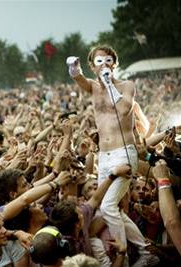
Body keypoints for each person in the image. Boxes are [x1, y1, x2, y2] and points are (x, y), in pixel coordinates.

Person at [67, 45, 159, 266]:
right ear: (92, 66)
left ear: (115, 63)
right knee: (109, 206)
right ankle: (146, 250)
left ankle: (124, 256)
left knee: (108, 206)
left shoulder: (127, 85)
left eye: (108, 60)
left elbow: (125, 108)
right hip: (104, 156)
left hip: (124, 153)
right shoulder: (92, 87)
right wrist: (73, 68)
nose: (104, 65)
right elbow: (79, 80)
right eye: (99, 62)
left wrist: (109, 85)